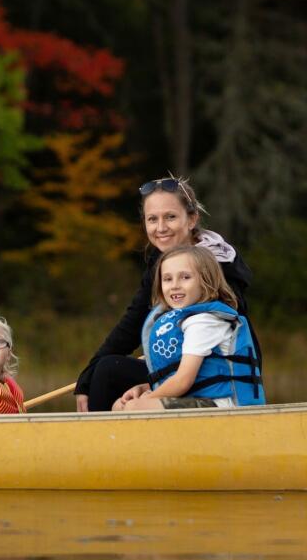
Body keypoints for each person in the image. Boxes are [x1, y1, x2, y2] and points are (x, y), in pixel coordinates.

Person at [75, 176, 259, 412]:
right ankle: (109, 444)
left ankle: (99, 444)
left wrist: (149, 395)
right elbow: (131, 324)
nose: (160, 228)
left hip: (214, 377)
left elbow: (213, 340)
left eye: (170, 217)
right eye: (153, 219)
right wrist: (87, 377)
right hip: (181, 371)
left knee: (112, 375)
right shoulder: (160, 264)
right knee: (108, 372)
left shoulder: (214, 266)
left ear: (192, 219)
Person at [114, 245, 264, 410]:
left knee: (135, 408)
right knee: (120, 405)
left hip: (222, 405)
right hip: (194, 398)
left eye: (185, 277)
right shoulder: (185, 321)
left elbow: (183, 380)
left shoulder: (204, 322)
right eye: (167, 279)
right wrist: (146, 388)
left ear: (206, 280)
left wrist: (148, 398)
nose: (175, 285)